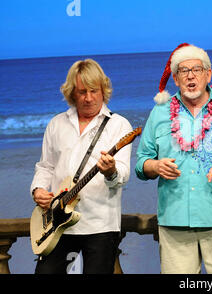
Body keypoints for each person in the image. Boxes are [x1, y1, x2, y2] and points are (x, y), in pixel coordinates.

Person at [135, 43, 212, 274]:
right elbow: (142, 162)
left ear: (208, 74)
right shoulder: (159, 112)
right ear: (175, 78)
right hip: (174, 221)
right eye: (184, 71)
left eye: (197, 69)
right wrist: (155, 165)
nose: (191, 76)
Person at [30, 59, 133, 274]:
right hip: (57, 225)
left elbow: (123, 175)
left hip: (100, 225)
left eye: (94, 91)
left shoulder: (119, 125)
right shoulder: (57, 123)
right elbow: (45, 166)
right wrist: (38, 189)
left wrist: (111, 171)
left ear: (104, 90)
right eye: (81, 92)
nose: (88, 98)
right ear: (71, 93)